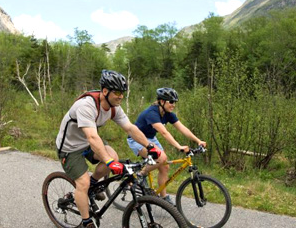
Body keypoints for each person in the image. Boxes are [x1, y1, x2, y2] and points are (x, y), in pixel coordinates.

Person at [56, 70, 161, 228]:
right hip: (70, 148)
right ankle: (86, 222)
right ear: (105, 91)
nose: (120, 96)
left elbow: (130, 128)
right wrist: (109, 162)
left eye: (122, 93)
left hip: (87, 143)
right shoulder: (86, 106)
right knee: (83, 183)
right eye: (117, 92)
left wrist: (149, 145)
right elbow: (92, 137)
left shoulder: (114, 107)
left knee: (112, 155)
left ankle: (93, 185)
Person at [127, 87, 207, 205]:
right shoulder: (152, 113)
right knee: (161, 158)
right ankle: (140, 175)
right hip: (136, 138)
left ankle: (163, 197)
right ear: (162, 101)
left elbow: (182, 128)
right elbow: (164, 133)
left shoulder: (168, 114)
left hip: (151, 138)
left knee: (164, 167)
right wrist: (178, 146)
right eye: (171, 102)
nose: (173, 104)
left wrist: (198, 140)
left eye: (175, 102)